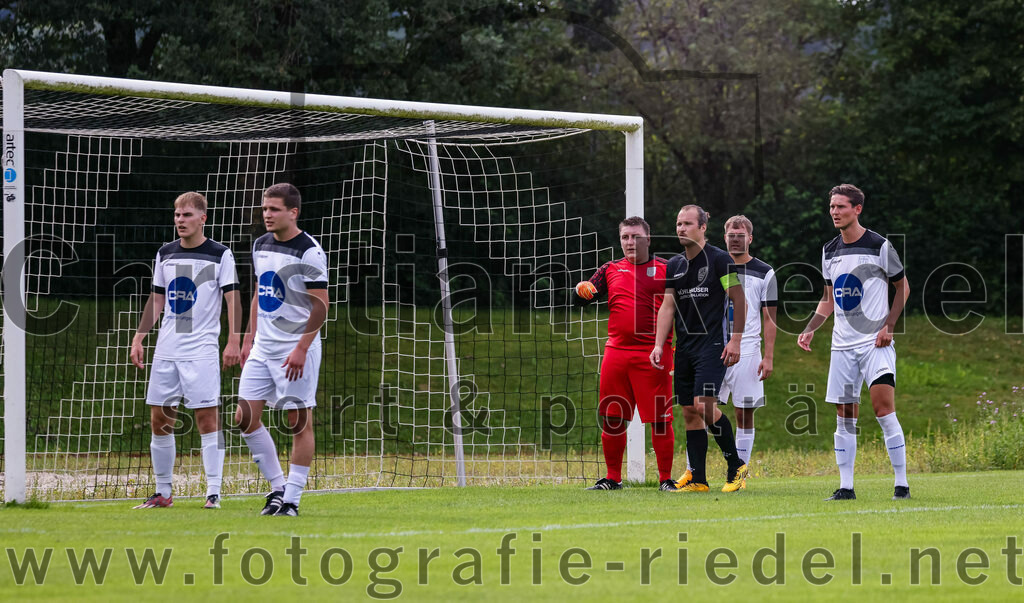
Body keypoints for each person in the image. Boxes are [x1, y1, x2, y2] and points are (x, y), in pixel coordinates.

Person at [798, 184, 910, 501]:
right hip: (842, 346)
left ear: (857, 209)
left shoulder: (880, 245)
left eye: (841, 207)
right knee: (845, 415)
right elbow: (829, 298)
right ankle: (846, 487)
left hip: (875, 344)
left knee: (883, 409)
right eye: (832, 206)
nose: (835, 212)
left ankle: (901, 484)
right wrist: (811, 327)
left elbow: (903, 288)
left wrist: (889, 326)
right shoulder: (829, 250)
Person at [130, 192, 241, 509]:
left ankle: (213, 493)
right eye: (177, 215)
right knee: (159, 420)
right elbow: (156, 300)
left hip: (201, 350)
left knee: (207, 419)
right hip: (167, 350)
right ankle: (163, 493)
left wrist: (234, 339)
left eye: (187, 215)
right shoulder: (164, 254)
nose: (180, 220)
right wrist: (139, 337)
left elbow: (233, 299)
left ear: (202, 218)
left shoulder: (220, 255)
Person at [236, 183, 329, 516]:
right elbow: (261, 293)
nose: (267, 215)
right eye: (264, 209)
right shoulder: (260, 245)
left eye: (274, 209)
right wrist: (248, 339)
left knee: (298, 421)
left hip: (295, 346)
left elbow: (320, 306)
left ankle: (292, 499)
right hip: (263, 347)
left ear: (293, 212)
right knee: (245, 418)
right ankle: (277, 489)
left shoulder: (310, 251)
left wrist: (302, 348)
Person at [650, 205, 748, 493]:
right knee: (690, 411)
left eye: (687, 224)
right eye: (678, 224)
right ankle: (698, 479)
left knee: (705, 404)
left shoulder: (720, 260)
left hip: (713, 344)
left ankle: (736, 465)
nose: (681, 229)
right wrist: (658, 344)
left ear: (703, 227)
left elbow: (739, 300)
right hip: (685, 347)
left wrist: (736, 339)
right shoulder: (675, 265)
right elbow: (668, 306)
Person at [574, 217, 676, 491]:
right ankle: (612, 478)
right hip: (616, 353)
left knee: (660, 418)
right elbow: (586, 296)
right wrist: (580, 290)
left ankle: (666, 479)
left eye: (636, 237)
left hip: (654, 353)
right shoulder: (610, 269)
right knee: (613, 417)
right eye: (625, 237)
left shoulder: (667, 268)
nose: (630, 242)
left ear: (648, 239)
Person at [718, 215, 777, 487]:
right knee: (700, 410)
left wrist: (768, 356)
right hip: (713, 348)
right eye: (731, 234)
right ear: (725, 237)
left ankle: (739, 475)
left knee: (744, 412)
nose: (735, 238)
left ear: (750, 238)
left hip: (749, 349)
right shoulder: (713, 266)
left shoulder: (765, 271)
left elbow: (769, 318)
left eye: (740, 234)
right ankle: (693, 471)